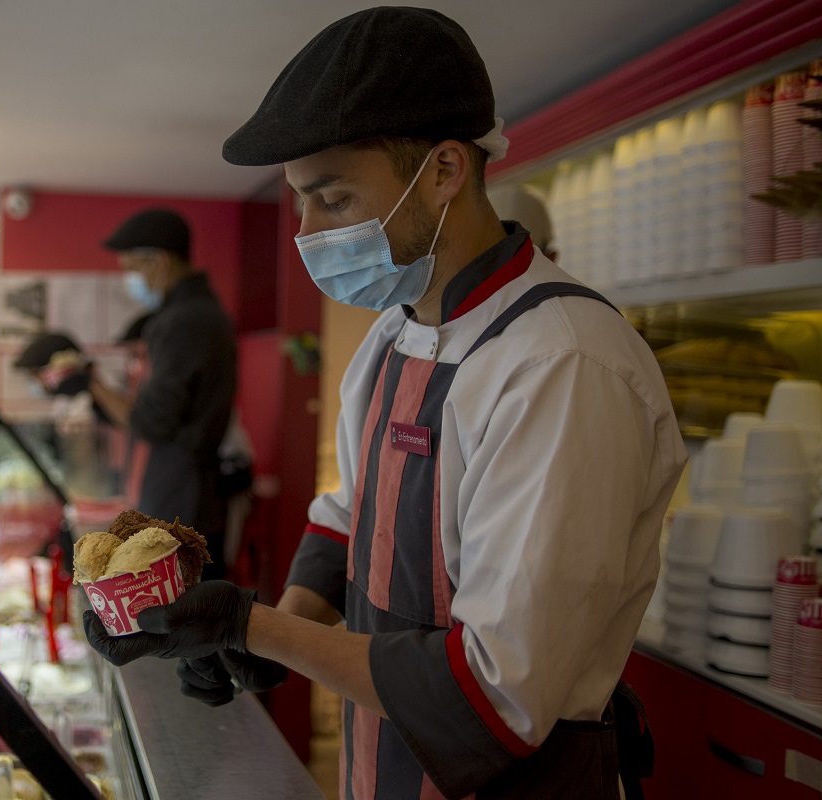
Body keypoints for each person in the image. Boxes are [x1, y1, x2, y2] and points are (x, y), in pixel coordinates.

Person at [85, 8, 685, 799]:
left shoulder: (560, 363)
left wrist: (252, 624)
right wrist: (268, 640)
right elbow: (349, 518)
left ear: (443, 171)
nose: (306, 232)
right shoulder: (393, 337)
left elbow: (494, 696)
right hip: (381, 763)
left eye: (331, 199)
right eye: (300, 201)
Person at [89, 208, 238, 582]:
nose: (130, 280)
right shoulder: (195, 315)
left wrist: (90, 382)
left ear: (160, 260)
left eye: (133, 268)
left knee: (176, 624)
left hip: (180, 503)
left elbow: (151, 422)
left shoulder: (185, 321)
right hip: (181, 493)